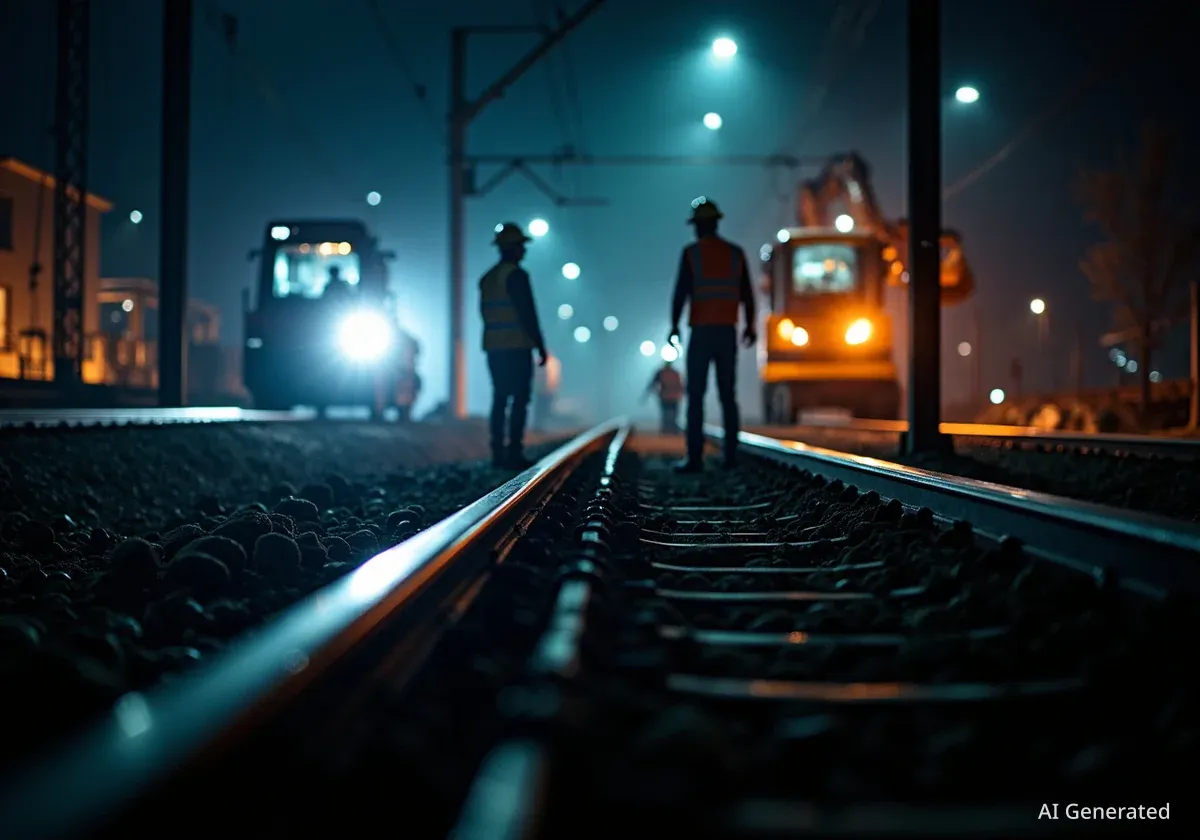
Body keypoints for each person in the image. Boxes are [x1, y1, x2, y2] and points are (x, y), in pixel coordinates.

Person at [668, 197, 757, 472]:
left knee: (696, 395)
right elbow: (748, 294)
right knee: (727, 395)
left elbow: (680, 293)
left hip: (701, 332)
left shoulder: (691, 253)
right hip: (726, 332)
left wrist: (673, 326)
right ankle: (730, 457)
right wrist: (750, 325)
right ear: (716, 223)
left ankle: (694, 459)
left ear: (699, 225)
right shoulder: (735, 253)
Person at [480, 222, 548, 469]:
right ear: (510, 248)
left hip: (493, 347)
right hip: (517, 347)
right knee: (519, 399)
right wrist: (540, 345)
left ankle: (498, 453)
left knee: (499, 398)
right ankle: (514, 452)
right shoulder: (518, 276)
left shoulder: (487, 279)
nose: (524, 251)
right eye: (520, 246)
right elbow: (528, 313)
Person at [645, 359, 684, 433]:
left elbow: (680, 386)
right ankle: (669, 430)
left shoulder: (667, 373)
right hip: (668, 398)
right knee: (669, 415)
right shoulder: (671, 373)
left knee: (670, 415)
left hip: (669, 397)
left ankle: (670, 430)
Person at [531, 352, 561, 432]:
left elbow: (554, 377)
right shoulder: (541, 362)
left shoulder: (553, 363)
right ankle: (538, 427)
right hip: (541, 390)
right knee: (540, 409)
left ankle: (543, 426)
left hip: (548, 390)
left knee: (545, 409)